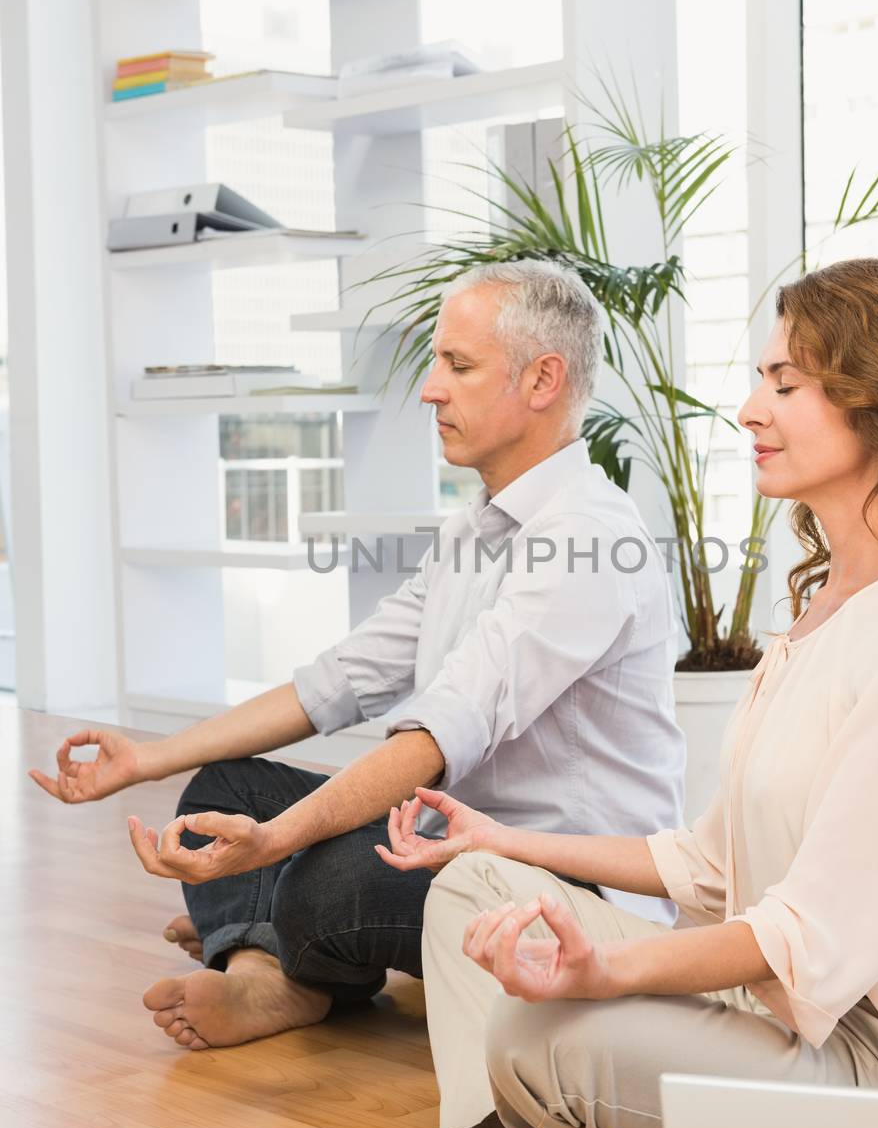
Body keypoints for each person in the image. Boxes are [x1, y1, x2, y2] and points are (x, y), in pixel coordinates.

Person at [378, 257, 878, 1128]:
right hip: (775, 1022)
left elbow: (795, 938)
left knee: (530, 1031)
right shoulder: (819, 615)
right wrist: (499, 833)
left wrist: (600, 970)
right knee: (475, 881)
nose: (747, 409)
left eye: (784, 382)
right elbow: (708, 864)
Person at [29, 257, 686, 1058]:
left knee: (322, 875)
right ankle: (268, 965)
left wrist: (276, 846)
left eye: (458, 364)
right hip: (453, 838)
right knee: (226, 788)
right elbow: (337, 683)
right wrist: (149, 759)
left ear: (543, 379)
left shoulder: (588, 539)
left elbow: (436, 740)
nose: (430, 389)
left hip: (564, 883)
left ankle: (267, 934)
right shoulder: (473, 533)